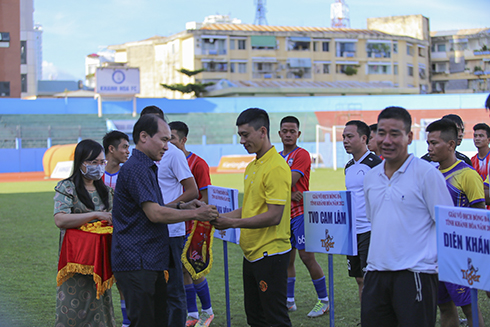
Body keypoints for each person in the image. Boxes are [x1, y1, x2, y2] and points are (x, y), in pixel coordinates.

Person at [111, 114, 218, 327]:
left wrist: (183, 206)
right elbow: (155, 214)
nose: (167, 147)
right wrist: (195, 214)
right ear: (143, 136)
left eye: (169, 140)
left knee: (159, 317)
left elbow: (154, 209)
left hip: (148, 259)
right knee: (145, 321)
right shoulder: (137, 168)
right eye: (163, 139)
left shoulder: (146, 165)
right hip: (137, 260)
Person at [361, 106, 453, 327]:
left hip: (415, 275)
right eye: (381, 133)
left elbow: (446, 225)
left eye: (395, 134)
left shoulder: (427, 174)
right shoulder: (371, 177)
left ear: (409, 137)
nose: (387, 140)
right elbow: (375, 220)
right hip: (375, 274)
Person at [212, 108, 292, 327]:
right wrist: (219, 217)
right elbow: (250, 208)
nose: (241, 140)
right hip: (252, 254)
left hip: (271, 254)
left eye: (245, 135)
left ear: (263, 131)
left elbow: (274, 216)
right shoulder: (252, 166)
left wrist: (233, 223)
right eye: (240, 135)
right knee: (255, 317)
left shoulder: (276, 167)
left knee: (275, 318)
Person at [140, 106, 200, 327]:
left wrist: (166, 208)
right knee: (151, 287)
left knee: (174, 288)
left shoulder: (173, 153)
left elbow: (192, 190)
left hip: (170, 231)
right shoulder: (138, 157)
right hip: (145, 230)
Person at [426, 118, 485, 327]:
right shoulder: (430, 175)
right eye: (428, 143)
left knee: (469, 308)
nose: (429, 148)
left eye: (434, 143)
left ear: (451, 144)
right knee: (444, 307)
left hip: (460, 255)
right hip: (435, 254)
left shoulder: (467, 174)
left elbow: (480, 217)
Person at [53, 139, 116, 327]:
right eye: (93, 162)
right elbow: (60, 219)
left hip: (100, 256)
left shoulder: (106, 190)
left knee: (99, 298)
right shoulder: (67, 187)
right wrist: (94, 214)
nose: (98, 167)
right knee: (73, 302)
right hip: (75, 258)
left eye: (101, 162)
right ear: (81, 162)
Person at [278, 115, 329, 317]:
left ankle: (324, 301)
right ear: (279, 133)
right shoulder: (277, 156)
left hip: (299, 212)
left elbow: (289, 179)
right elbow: (276, 185)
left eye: (292, 131)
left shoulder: (302, 155)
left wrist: (279, 184)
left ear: (298, 134)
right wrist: (288, 193)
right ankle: (290, 301)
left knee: (307, 257)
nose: (288, 134)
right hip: (282, 213)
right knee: (286, 259)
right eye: (285, 131)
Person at [168, 121, 214, 327]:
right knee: (182, 269)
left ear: (183, 140)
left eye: (172, 139)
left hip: (193, 225)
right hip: (174, 223)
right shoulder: (164, 160)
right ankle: (192, 313)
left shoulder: (197, 163)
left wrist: (186, 209)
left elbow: (205, 196)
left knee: (193, 268)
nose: (167, 143)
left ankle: (208, 311)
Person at [342, 120, 382, 307]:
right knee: (359, 279)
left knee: (371, 279)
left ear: (364, 138)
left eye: (350, 136)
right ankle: (367, 317)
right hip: (352, 232)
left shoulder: (376, 164)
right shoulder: (348, 166)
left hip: (370, 230)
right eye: (343, 137)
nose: (345, 140)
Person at [102, 130, 131, 327]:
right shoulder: (95, 175)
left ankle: (127, 322)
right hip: (100, 237)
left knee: (123, 282)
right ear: (111, 149)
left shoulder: (129, 173)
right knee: (100, 281)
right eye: (124, 147)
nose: (128, 151)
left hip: (123, 237)